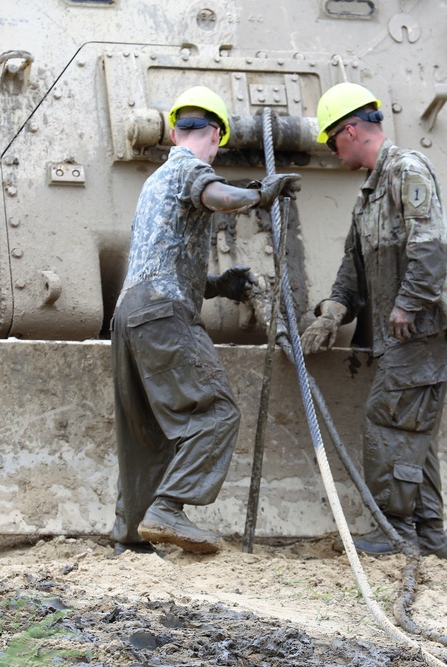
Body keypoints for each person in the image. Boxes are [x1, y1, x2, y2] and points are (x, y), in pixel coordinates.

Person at [110, 86, 299, 555]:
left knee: (147, 432)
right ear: (215, 135)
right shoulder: (191, 168)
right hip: (164, 312)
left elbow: (161, 259)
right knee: (215, 412)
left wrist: (219, 284)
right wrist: (259, 194)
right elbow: (215, 195)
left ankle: (132, 538)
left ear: (174, 131)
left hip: (128, 314)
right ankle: (168, 509)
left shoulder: (153, 183)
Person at [300, 82, 447, 559]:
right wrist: (329, 317)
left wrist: (407, 305)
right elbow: (350, 276)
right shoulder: (367, 198)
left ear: (351, 131)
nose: (333, 152)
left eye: (333, 141)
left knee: (387, 417)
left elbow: (429, 246)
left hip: (424, 327)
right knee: (414, 430)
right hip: (406, 333)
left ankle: (393, 529)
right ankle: (429, 535)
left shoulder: (407, 170)